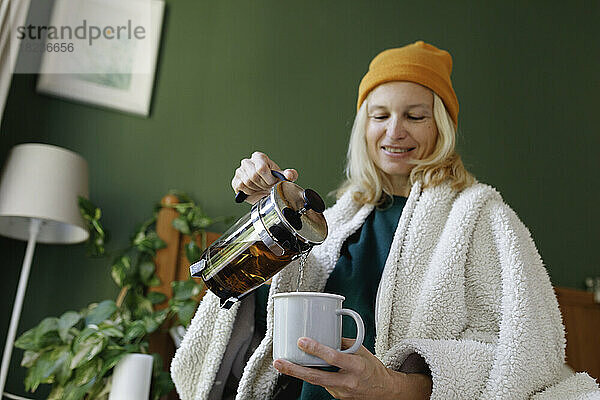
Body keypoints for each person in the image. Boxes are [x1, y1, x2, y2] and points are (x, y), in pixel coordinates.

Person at [171, 41, 600, 399]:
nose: (395, 132)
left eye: (415, 116)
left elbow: (519, 356)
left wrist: (393, 387)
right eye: (380, 116)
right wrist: (270, 210)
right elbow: (259, 329)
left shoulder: (482, 219)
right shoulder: (336, 222)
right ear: (364, 126)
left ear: (443, 128)